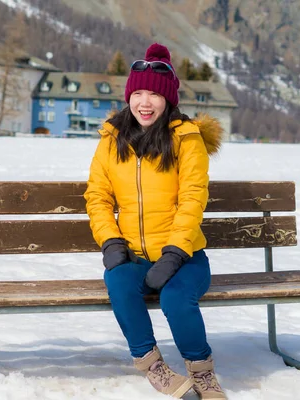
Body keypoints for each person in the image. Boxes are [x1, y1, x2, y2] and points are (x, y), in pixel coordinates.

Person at [84, 43, 226, 399]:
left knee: (177, 301)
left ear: (168, 100)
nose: (145, 102)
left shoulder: (186, 139)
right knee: (118, 283)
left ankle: (202, 372)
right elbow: (98, 197)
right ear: (129, 96)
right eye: (138, 93)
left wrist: (175, 253)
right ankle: (153, 366)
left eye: (154, 94)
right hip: (133, 255)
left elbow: (193, 199)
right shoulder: (111, 139)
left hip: (185, 258)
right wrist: (111, 242)